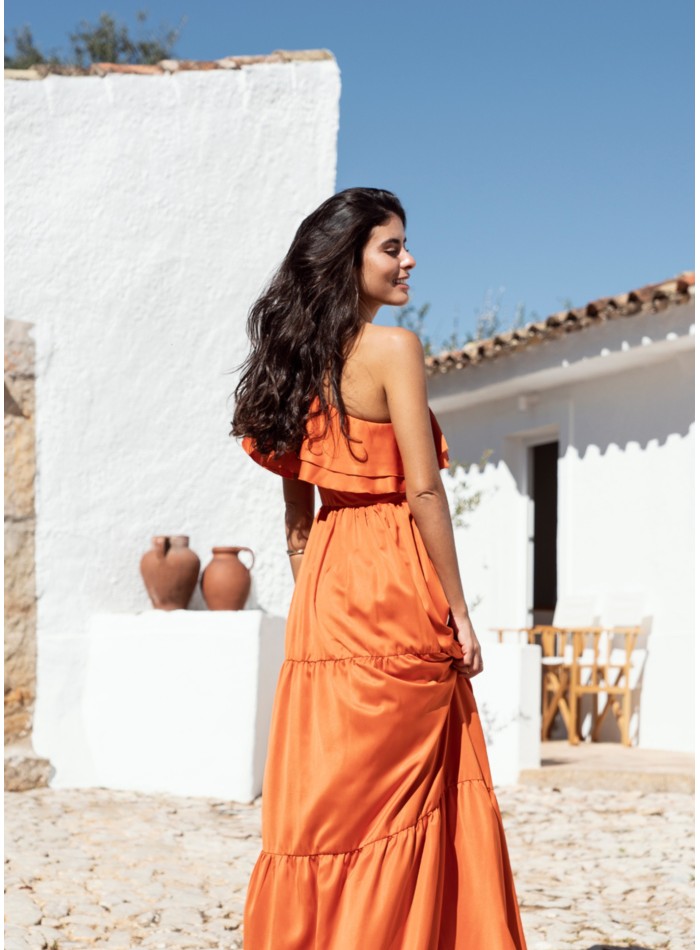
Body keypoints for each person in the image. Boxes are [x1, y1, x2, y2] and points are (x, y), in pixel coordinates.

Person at [231, 188, 527, 949]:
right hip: (396, 570)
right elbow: (425, 489)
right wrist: (458, 609)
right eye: (391, 247)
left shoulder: (289, 364)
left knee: (333, 796)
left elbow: (298, 524)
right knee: (410, 793)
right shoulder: (394, 349)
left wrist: (319, 604)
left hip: (329, 581)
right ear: (347, 260)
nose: (409, 260)